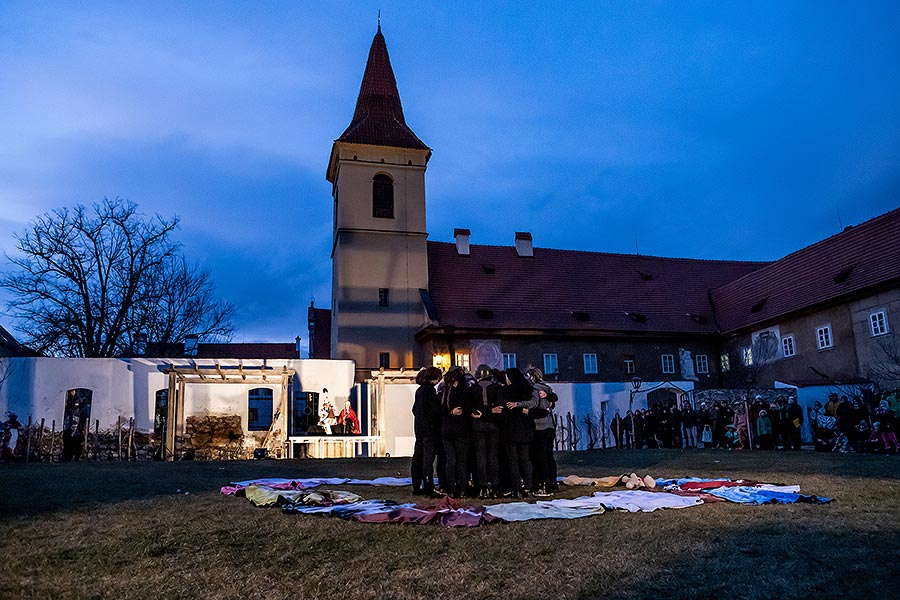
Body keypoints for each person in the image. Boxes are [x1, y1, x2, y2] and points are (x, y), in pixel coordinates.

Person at [501, 368, 538, 497]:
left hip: (511, 428)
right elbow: (534, 403)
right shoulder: (528, 389)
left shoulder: (507, 390)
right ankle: (529, 485)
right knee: (525, 458)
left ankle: (517, 487)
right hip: (526, 427)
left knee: (513, 460)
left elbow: (504, 408)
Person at [468, 364, 503, 499]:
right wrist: (490, 412)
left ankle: (483, 487)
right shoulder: (496, 388)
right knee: (493, 456)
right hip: (493, 424)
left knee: (480, 456)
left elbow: (470, 409)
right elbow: (500, 409)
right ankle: (494, 486)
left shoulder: (472, 389)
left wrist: (482, 413)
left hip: (478, 424)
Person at [525, 367, 557, 497]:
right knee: (549, 456)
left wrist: (527, 412)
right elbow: (552, 401)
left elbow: (537, 407)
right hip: (550, 426)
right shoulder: (546, 388)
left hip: (540, 427)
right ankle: (551, 482)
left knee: (541, 457)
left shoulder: (535, 390)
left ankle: (544, 485)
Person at [411, 366, 443, 496]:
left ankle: (416, 485)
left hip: (419, 428)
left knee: (418, 457)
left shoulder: (419, 391)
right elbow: (435, 410)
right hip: (429, 429)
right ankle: (428, 485)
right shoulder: (430, 391)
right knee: (428, 459)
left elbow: (414, 409)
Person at [440, 368, 472, 498]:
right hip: (461, 429)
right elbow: (469, 407)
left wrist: (449, 413)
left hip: (447, 429)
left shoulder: (443, 394)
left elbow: (439, 410)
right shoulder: (462, 392)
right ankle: (463, 487)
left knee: (450, 459)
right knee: (462, 460)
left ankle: (451, 488)